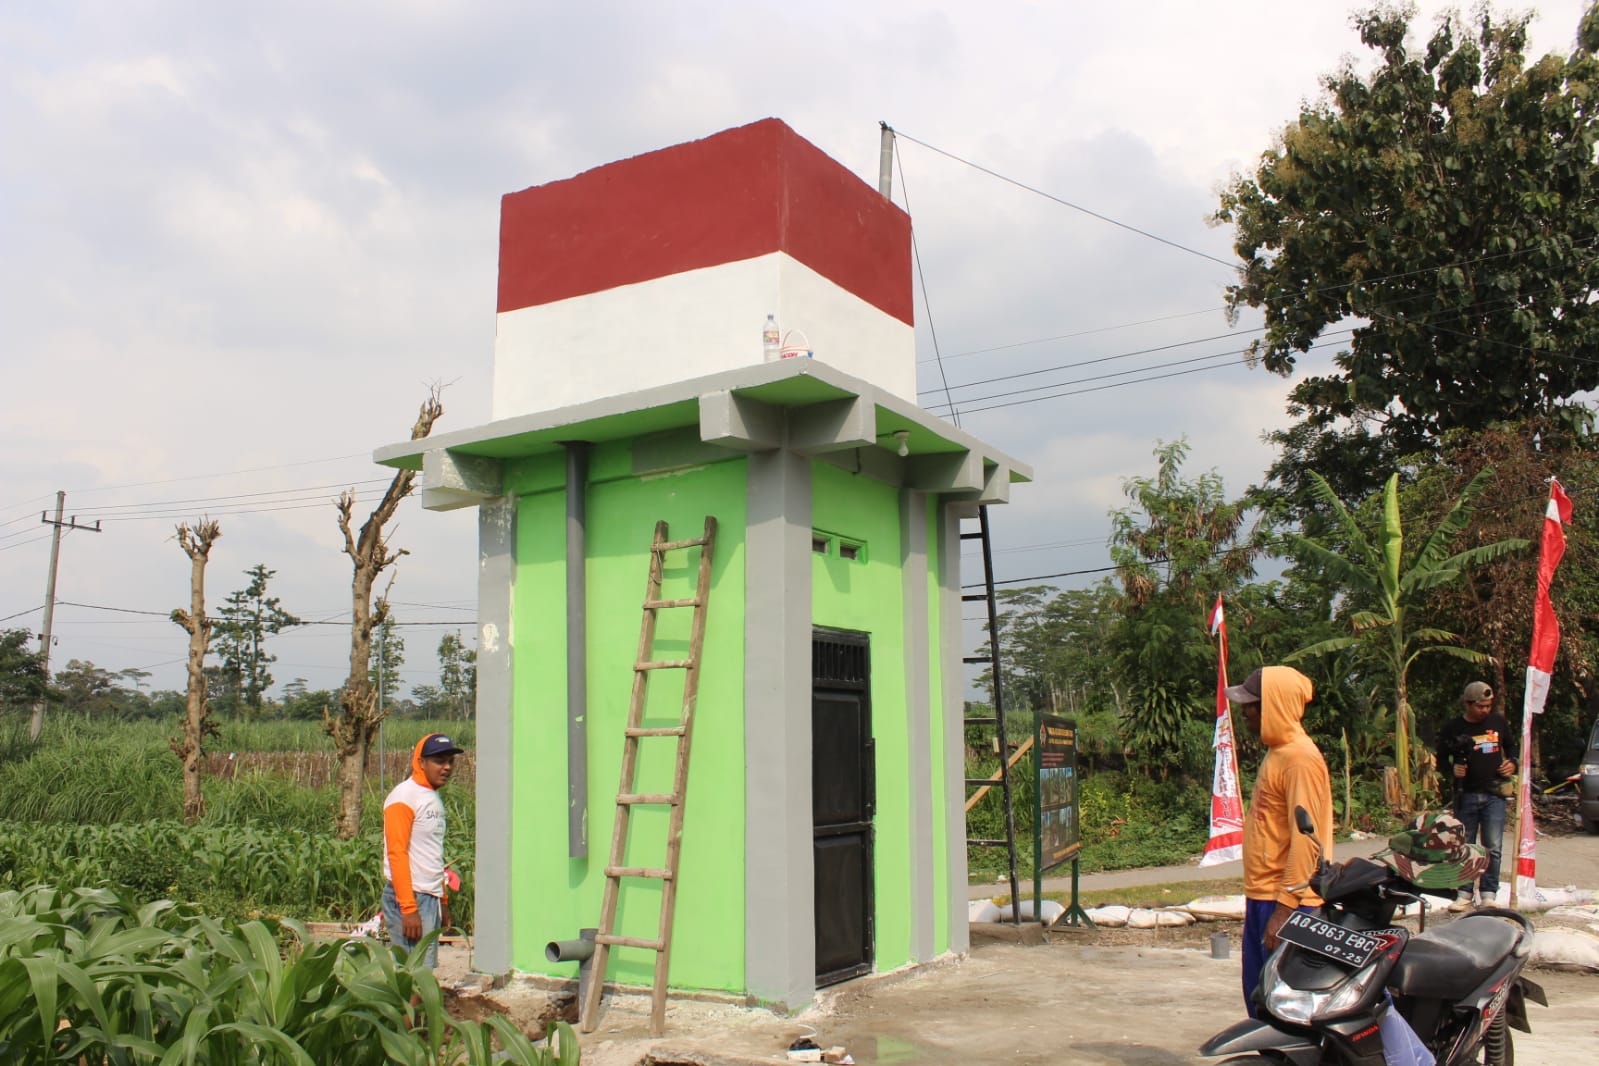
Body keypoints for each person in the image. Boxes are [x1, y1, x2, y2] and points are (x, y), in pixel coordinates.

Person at [1224, 665, 1334, 1017]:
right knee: (1261, 1002)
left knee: (1284, 1011)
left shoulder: (1300, 759)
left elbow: (1307, 843)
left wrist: (1285, 909)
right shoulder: (1278, 752)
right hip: (1264, 896)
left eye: (1251, 705)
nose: (1244, 713)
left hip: (1287, 902)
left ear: (1274, 706)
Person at [383, 732, 465, 967]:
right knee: (414, 973)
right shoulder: (404, 797)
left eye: (450, 761)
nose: (447, 767)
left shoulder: (431, 796)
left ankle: (416, 1005)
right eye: (439, 761)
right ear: (420, 763)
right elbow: (397, 854)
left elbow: (431, 854)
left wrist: (443, 900)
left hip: (429, 897)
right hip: (411, 897)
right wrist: (408, 908)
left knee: (423, 971)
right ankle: (409, 1006)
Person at [1435, 680, 1517, 911]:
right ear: (1467, 704)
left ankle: (1489, 894)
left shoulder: (1498, 722)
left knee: (1493, 845)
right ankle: (1463, 893)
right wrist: (1451, 769)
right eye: (1480, 706)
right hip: (1466, 794)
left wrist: (1513, 763)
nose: (1485, 710)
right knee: (1464, 845)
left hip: (1494, 794)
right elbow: (1440, 758)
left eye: (1488, 706)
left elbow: (1512, 748)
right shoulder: (1453, 727)